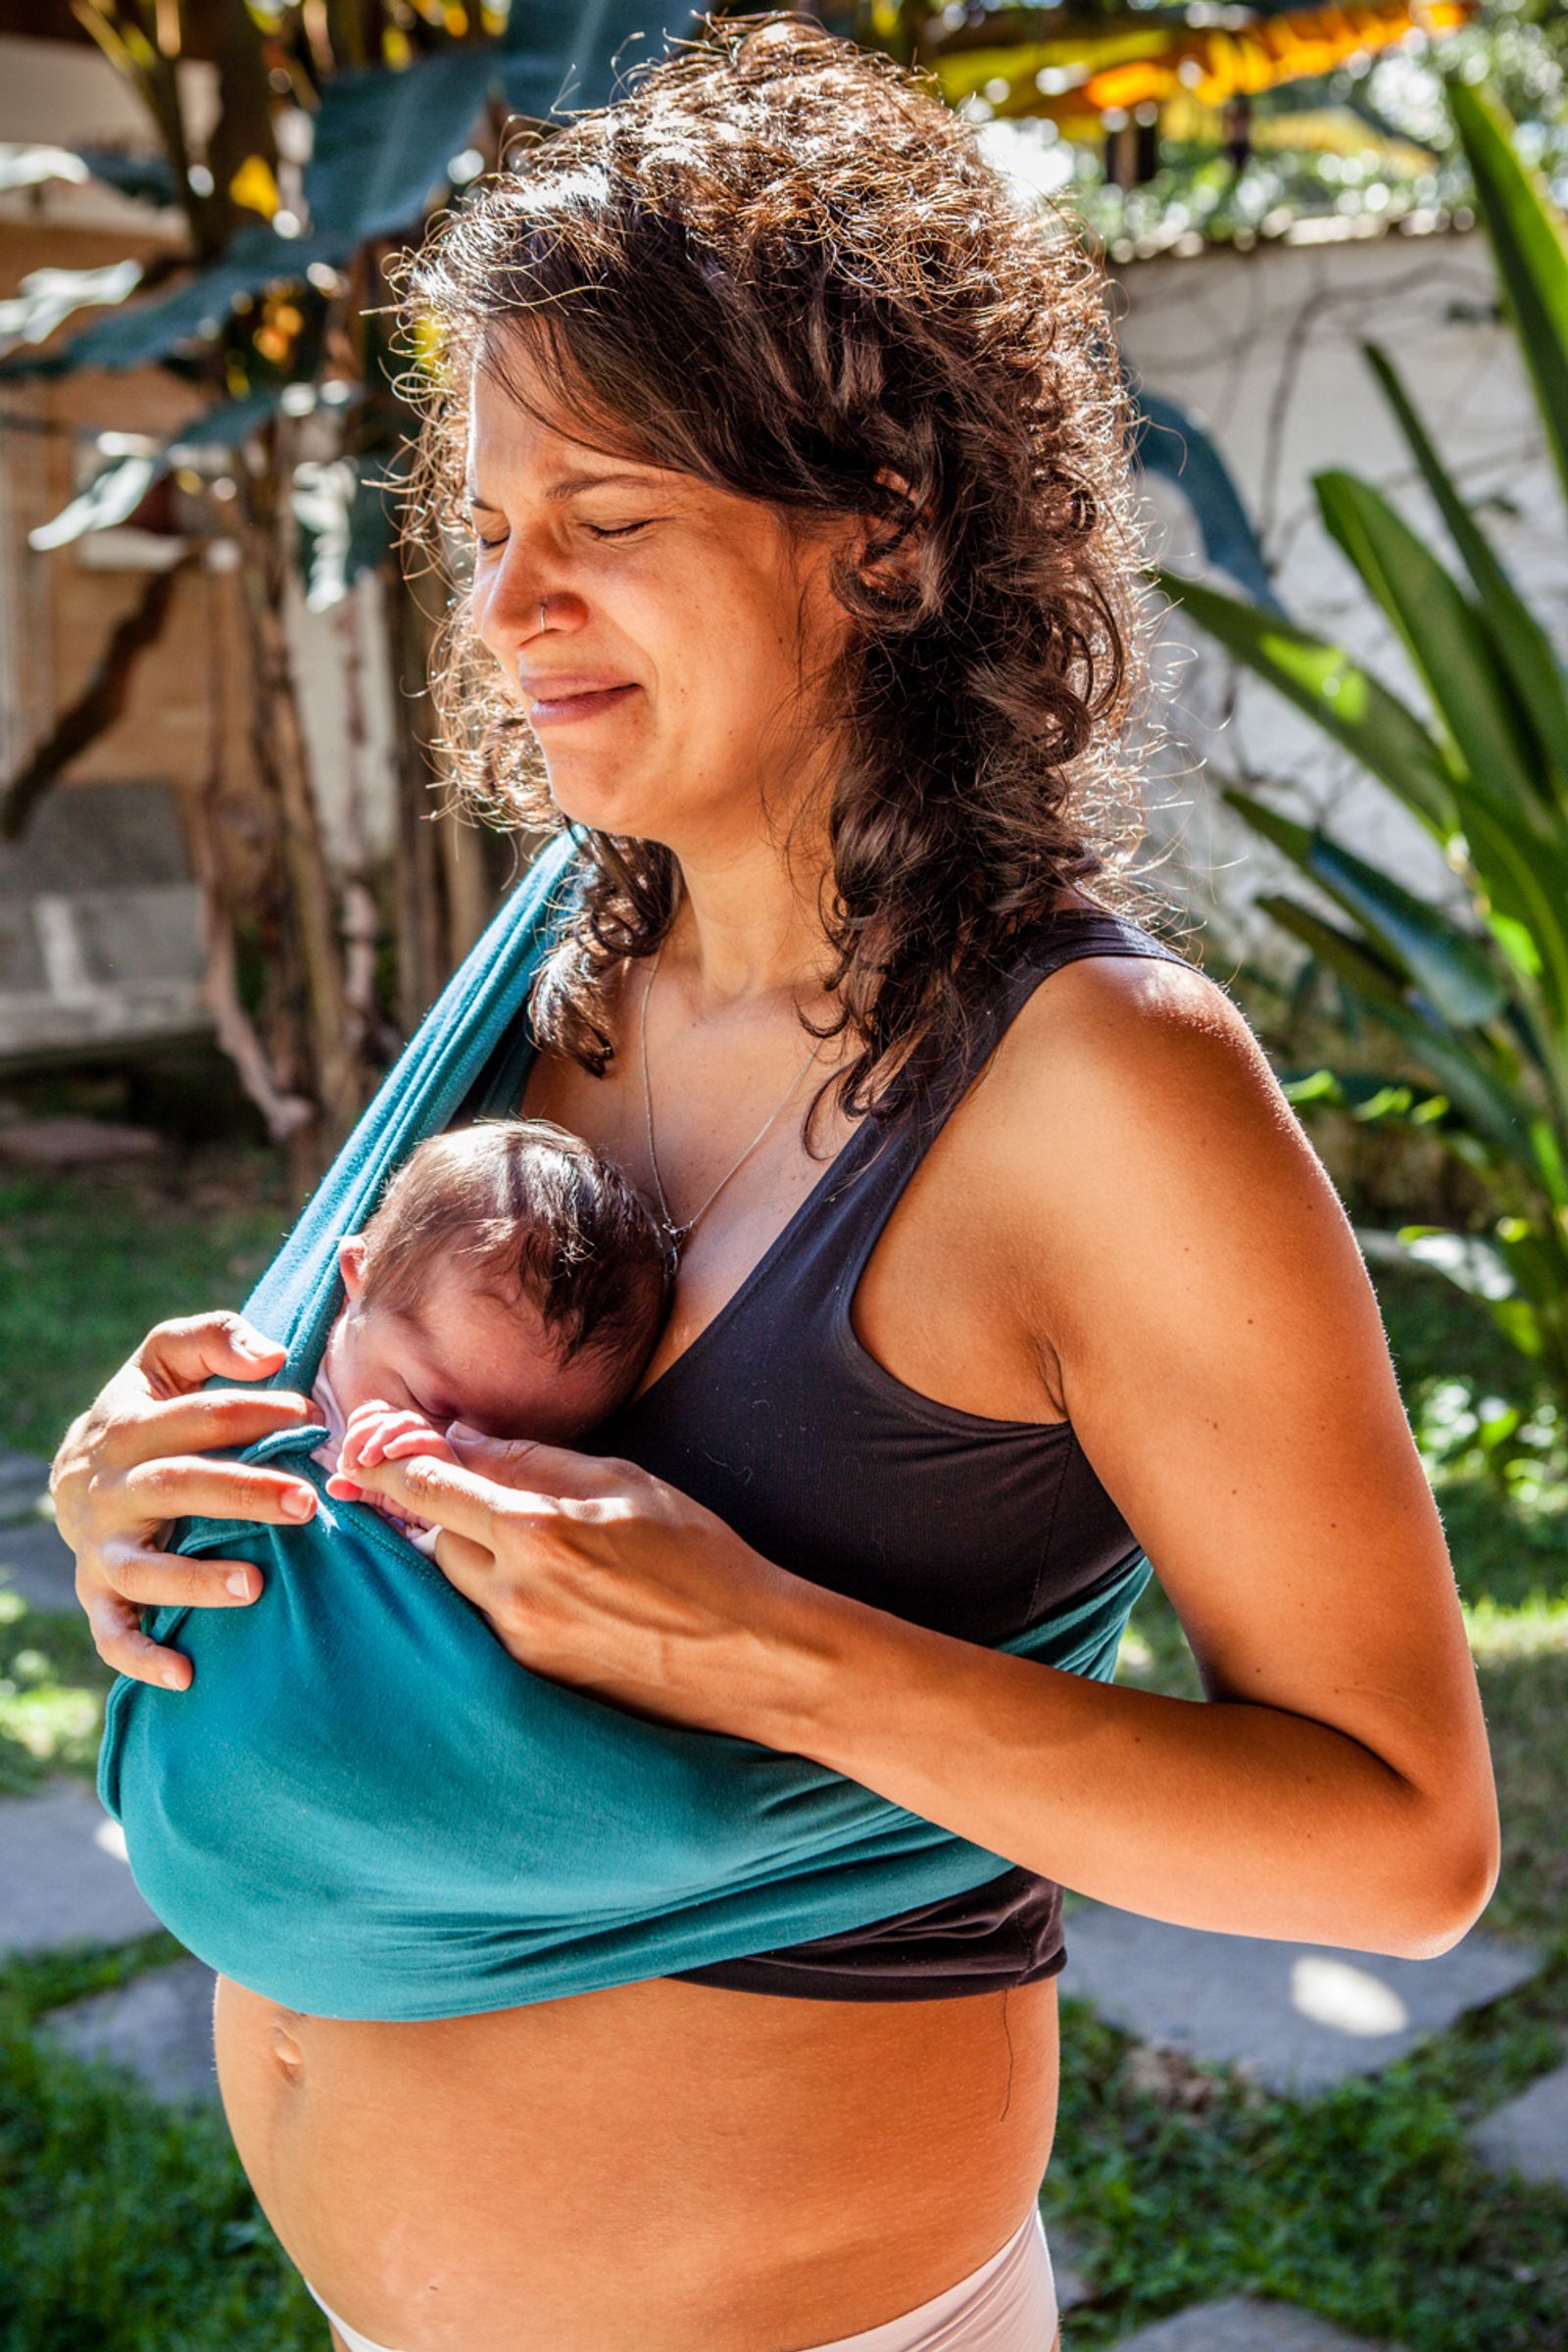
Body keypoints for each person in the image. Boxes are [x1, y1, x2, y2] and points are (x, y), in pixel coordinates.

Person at [50, 18, 1499, 2352]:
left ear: (885, 536)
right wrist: (150, 1471)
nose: (511, 611)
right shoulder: (561, 947)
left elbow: (1398, 1844)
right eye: (493, 531)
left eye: (605, 523)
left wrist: (765, 1646)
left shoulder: (1089, 1087)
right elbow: (374, 1429)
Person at [308, 1116, 668, 1553]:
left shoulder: (501, 1504)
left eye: (511, 1447)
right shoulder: (283, 1371)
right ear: (357, 1278)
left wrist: (438, 1522)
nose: (454, 1448)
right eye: (430, 1405)